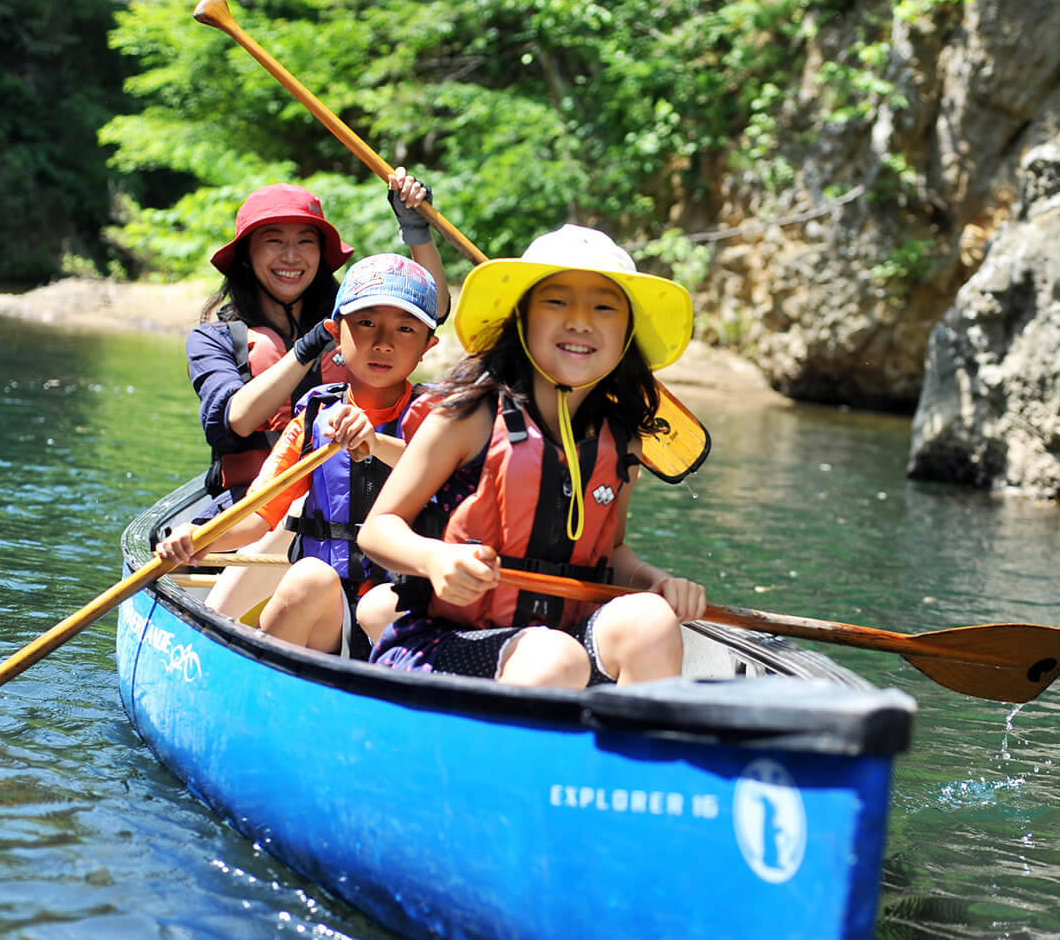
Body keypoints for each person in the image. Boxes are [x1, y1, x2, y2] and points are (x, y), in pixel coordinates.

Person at [357, 224, 707, 688]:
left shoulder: (620, 441)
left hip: (560, 640)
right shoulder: (470, 414)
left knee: (651, 620)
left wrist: (655, 580)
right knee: (556, 657)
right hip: (444, 640)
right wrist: (434, 560)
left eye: (603, 308)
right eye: (557, 302)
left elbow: (613, 550)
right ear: (521, 320)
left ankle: (638, 753)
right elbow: (379, 531)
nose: (580, 322)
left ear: (626, 334)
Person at [155, 253, 442, 658]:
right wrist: (198, 540)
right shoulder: (313, 417)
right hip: (332, 615)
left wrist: (376, 444)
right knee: (307, 577)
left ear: (429, 344)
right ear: (335, 331)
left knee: (384, 606)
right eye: (366, 323)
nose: (383, 342)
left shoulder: (441, 418)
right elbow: (258, 515)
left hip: (401, 608)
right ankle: (271, 695)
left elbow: (443, 475)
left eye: (405, 328)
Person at [187, 172, 448, 515]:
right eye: (274, 241)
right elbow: (237, 419)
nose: (291, 257)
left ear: (321, 255)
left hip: (349, 491)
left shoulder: (351, 325)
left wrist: (417, 231)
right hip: (249, 501)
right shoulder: (214, 339)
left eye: (305, 242)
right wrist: (306, 349)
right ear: (247, 255)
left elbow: (433, 311)